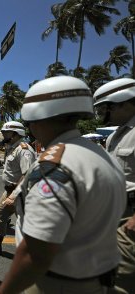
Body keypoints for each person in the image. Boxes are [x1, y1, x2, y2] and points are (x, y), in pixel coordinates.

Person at [0, 76, 126, 293]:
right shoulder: (99, 154)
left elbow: (35, 253)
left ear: (35, 118)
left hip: (57, 282)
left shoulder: (54, 167)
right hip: (95, 277)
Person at [94, 78, 135, 294]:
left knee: (122, 281)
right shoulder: (115, 136)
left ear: (121, 102)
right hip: (114, 215)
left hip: (132, 218)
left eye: (104, 108)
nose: (102, 114)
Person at [0, 121, 36, 255]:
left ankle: (34, 254)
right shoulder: (12, 147)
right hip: (10, 190)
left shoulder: (24, 149)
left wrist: (14, 194)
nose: (3, 134)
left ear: (15, 134)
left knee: (25, 223)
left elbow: (27, 174)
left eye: (6, 132)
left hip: (21, 192)